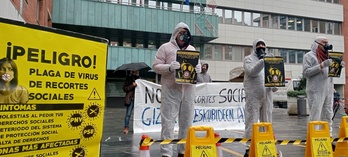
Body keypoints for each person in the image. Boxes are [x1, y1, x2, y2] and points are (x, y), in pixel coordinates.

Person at [153, 22, 201, 157]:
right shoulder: (165, 48)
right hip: (171, 91)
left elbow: (198, 65)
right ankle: (166, 154)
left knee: (187, 123)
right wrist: (169, 67)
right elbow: (156, 66)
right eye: (181, 32)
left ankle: (183, 152)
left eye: (186, 32)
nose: (183, 35)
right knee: (168, 123)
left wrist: (198, 69)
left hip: (189, 92)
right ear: (175, 33)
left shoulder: (192, 49)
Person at [303, 36, 345, 137]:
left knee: (328, 113)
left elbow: (330, 75)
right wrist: (321, 66)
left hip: (328, 89)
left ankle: (327, 136)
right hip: (315, 90)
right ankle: (314, 136)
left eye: (327, 42)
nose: (326, 45)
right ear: (317, 44)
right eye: (324, 42)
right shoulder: (309, 56)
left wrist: (339, 66)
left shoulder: (329, 56)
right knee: (315, 114)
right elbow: (306, 73)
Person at [243, 39, 278, 156]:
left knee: (267, 120)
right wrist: (263, 61)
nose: (261, 46)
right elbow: (252, 72)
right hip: (253, 95)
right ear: (254, 46)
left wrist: (275, 84)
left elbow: (272, 76)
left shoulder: (268, 60)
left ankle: (266, 144)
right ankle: (249, 147)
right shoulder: (248, 59)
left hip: (267, 94)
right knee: (251, 120)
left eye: (263, 45)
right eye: (258, 45)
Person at [122, 70, 139, 134]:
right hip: (131, 99)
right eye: (134, 71)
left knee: (138, 115)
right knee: (128, 114)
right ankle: (126, 127)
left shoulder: (140, 79)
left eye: (136, 71)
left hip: (138, 100)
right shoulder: (128, 79)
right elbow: (125, 88)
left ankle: (138, 128)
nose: (136, 72)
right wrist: (132, 85)